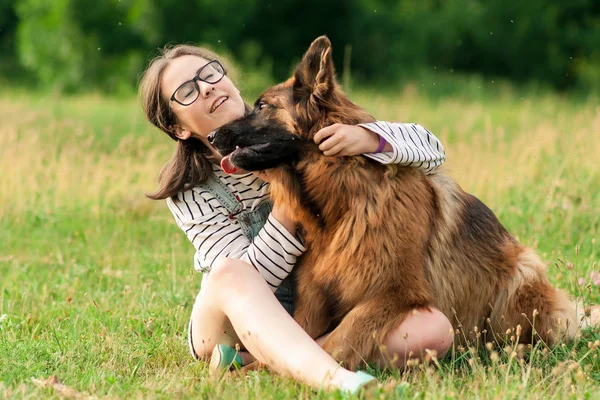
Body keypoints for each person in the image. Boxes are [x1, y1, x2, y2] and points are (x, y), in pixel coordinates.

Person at [139, 44, 454, 394]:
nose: (206, 87)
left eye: (210, 73)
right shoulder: (192, 191)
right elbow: (248, 283)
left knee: (433, 330)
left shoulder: (296, 121)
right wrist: (287, 210)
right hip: (231, 326)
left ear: (230, 82)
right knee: (229, 271)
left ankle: (261, 367)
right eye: (187, 91)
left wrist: (367, 138)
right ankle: (333, 378)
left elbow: (431, 148)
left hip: (313, 316)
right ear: (178, 127)